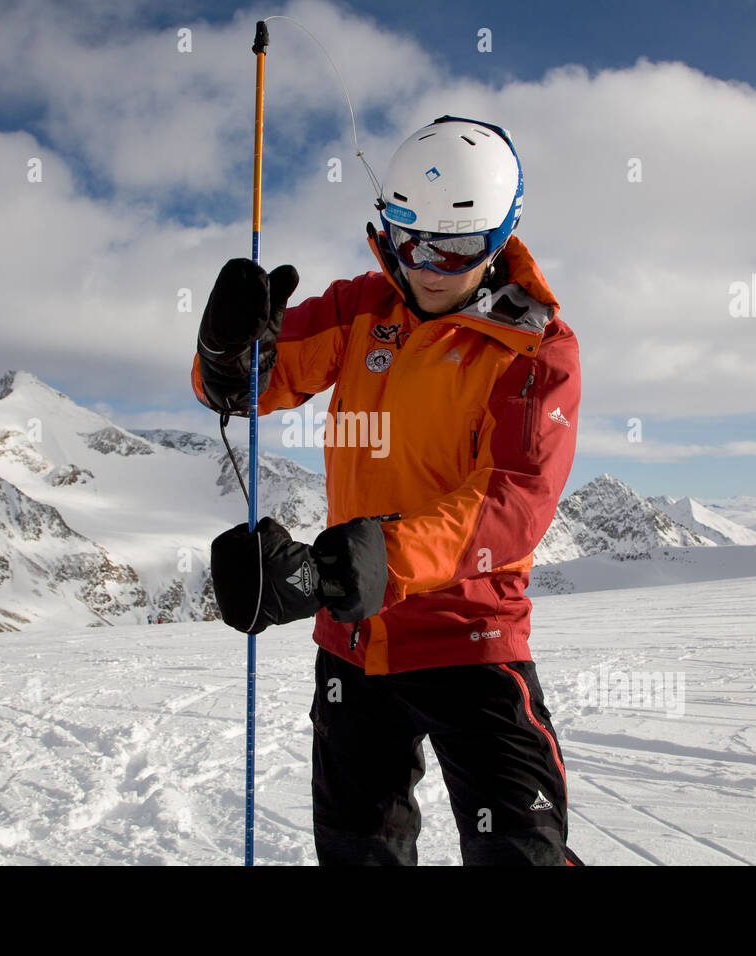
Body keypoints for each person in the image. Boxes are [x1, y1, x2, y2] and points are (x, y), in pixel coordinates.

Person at [193, 116, 582, 866]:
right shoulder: (363, 307)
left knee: (523, 853)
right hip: (355, 645)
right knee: (356, 853)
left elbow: (513, 501)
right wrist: (223, 353)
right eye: (409, 239)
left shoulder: (538, 350)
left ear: (502, 236)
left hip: (471, 639)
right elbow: (256, 382)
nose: (428, 267)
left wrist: (368, 562)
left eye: (456, 247)